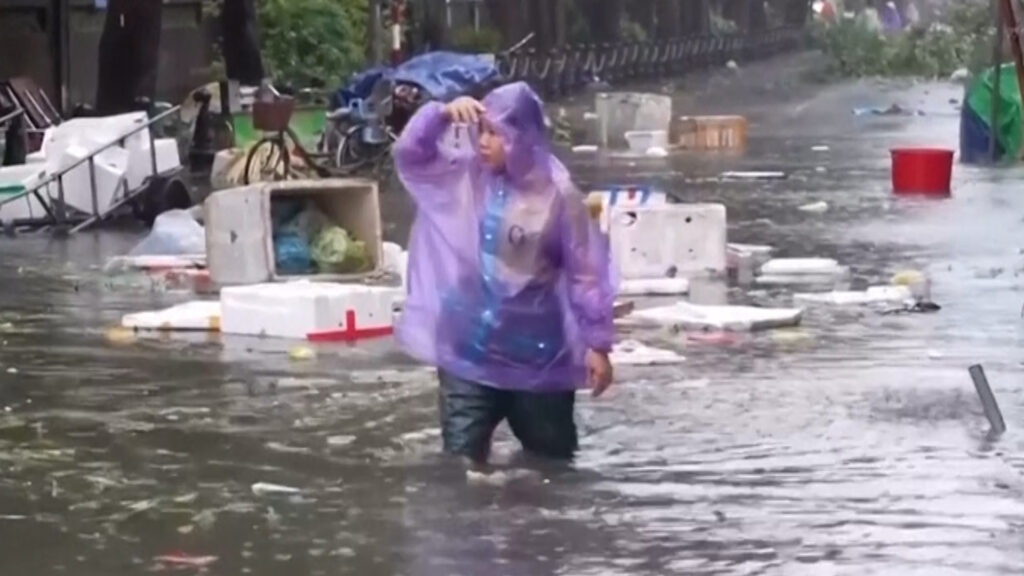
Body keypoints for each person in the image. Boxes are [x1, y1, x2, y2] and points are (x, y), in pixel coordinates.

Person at [393, 82, 616, 465]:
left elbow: (585, 275)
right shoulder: (467, 176)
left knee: (551, 467)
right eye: (482, 131)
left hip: (537, 357)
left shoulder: (559, 197)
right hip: (468, 348)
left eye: (496, 134)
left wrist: (597, 344)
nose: (484, 143)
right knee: (459, 466)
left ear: (523, 137)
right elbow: (410, 156)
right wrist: (441, 114)